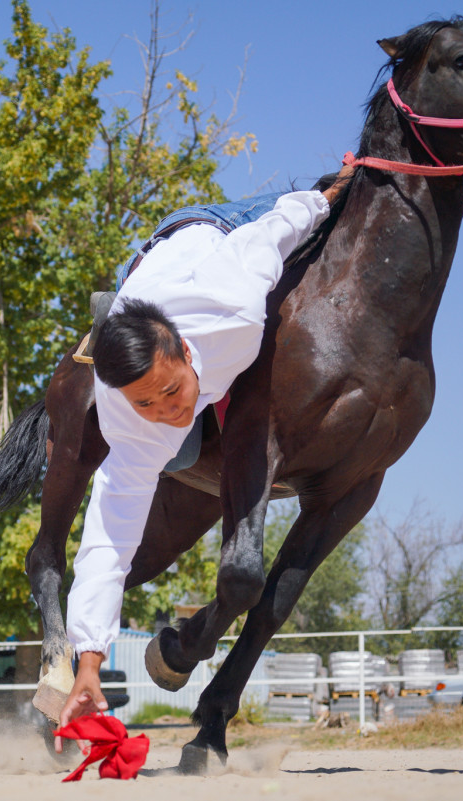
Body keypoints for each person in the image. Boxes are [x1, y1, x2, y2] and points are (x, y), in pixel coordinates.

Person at [55, 165, 354, 744]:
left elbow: (278, 230)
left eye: (171, 392)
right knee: (154, 445)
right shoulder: (128, 414)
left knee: (321, 204)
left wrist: (327, 196)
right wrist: (88, 661)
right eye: (146, 403)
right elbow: (110, 536)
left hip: (227, 229)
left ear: (186, 353)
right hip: (154, 266)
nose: (165, 411)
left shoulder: (237, 304)